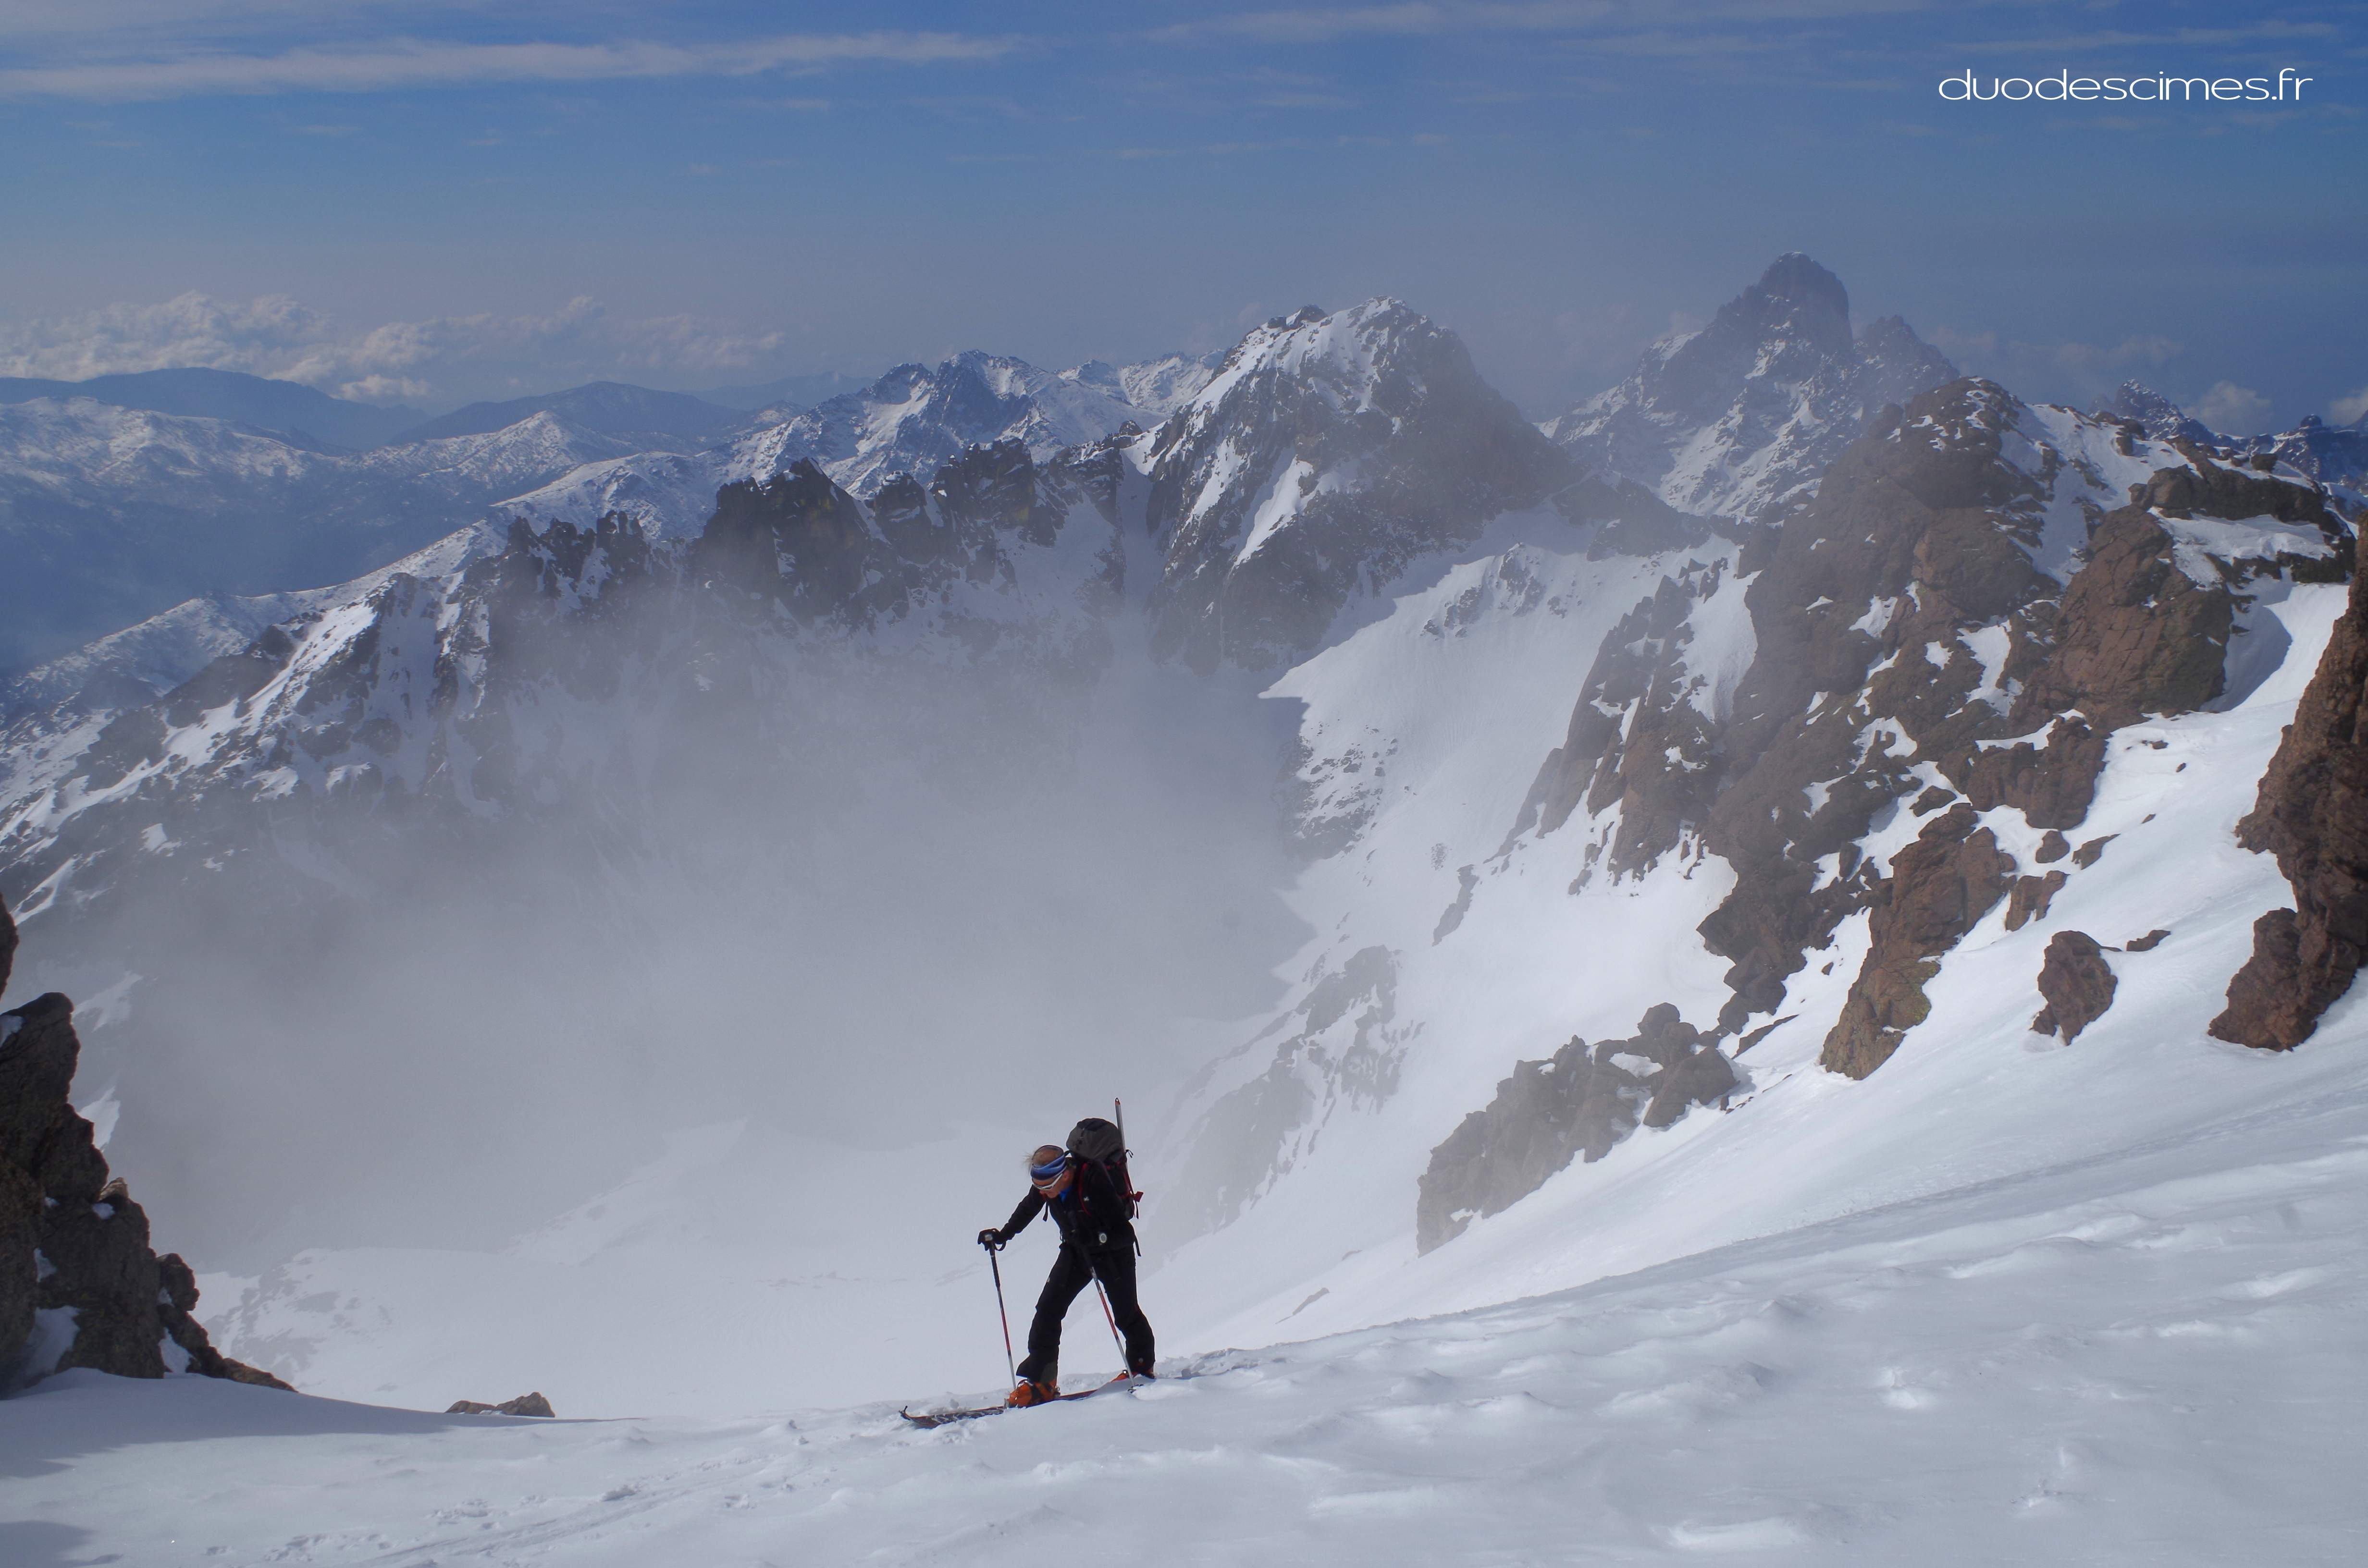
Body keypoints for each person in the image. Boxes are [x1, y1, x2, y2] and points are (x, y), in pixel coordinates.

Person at [977, 1142, 1155, 1406]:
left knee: (1125, 1312)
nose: (1044, 1193)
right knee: (1048, 1309)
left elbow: (1122, 1231)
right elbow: (1029, 1207)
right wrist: (1003, 1235)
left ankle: (1141, 1367)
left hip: (1113, 1254)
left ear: (1065, 1174)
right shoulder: (1047, 1184)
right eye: (1039, 1187)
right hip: (1076, 1251)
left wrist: (1095, 1238)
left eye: (1048, 1187)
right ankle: (1041, 1383)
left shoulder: (1094, 1181)